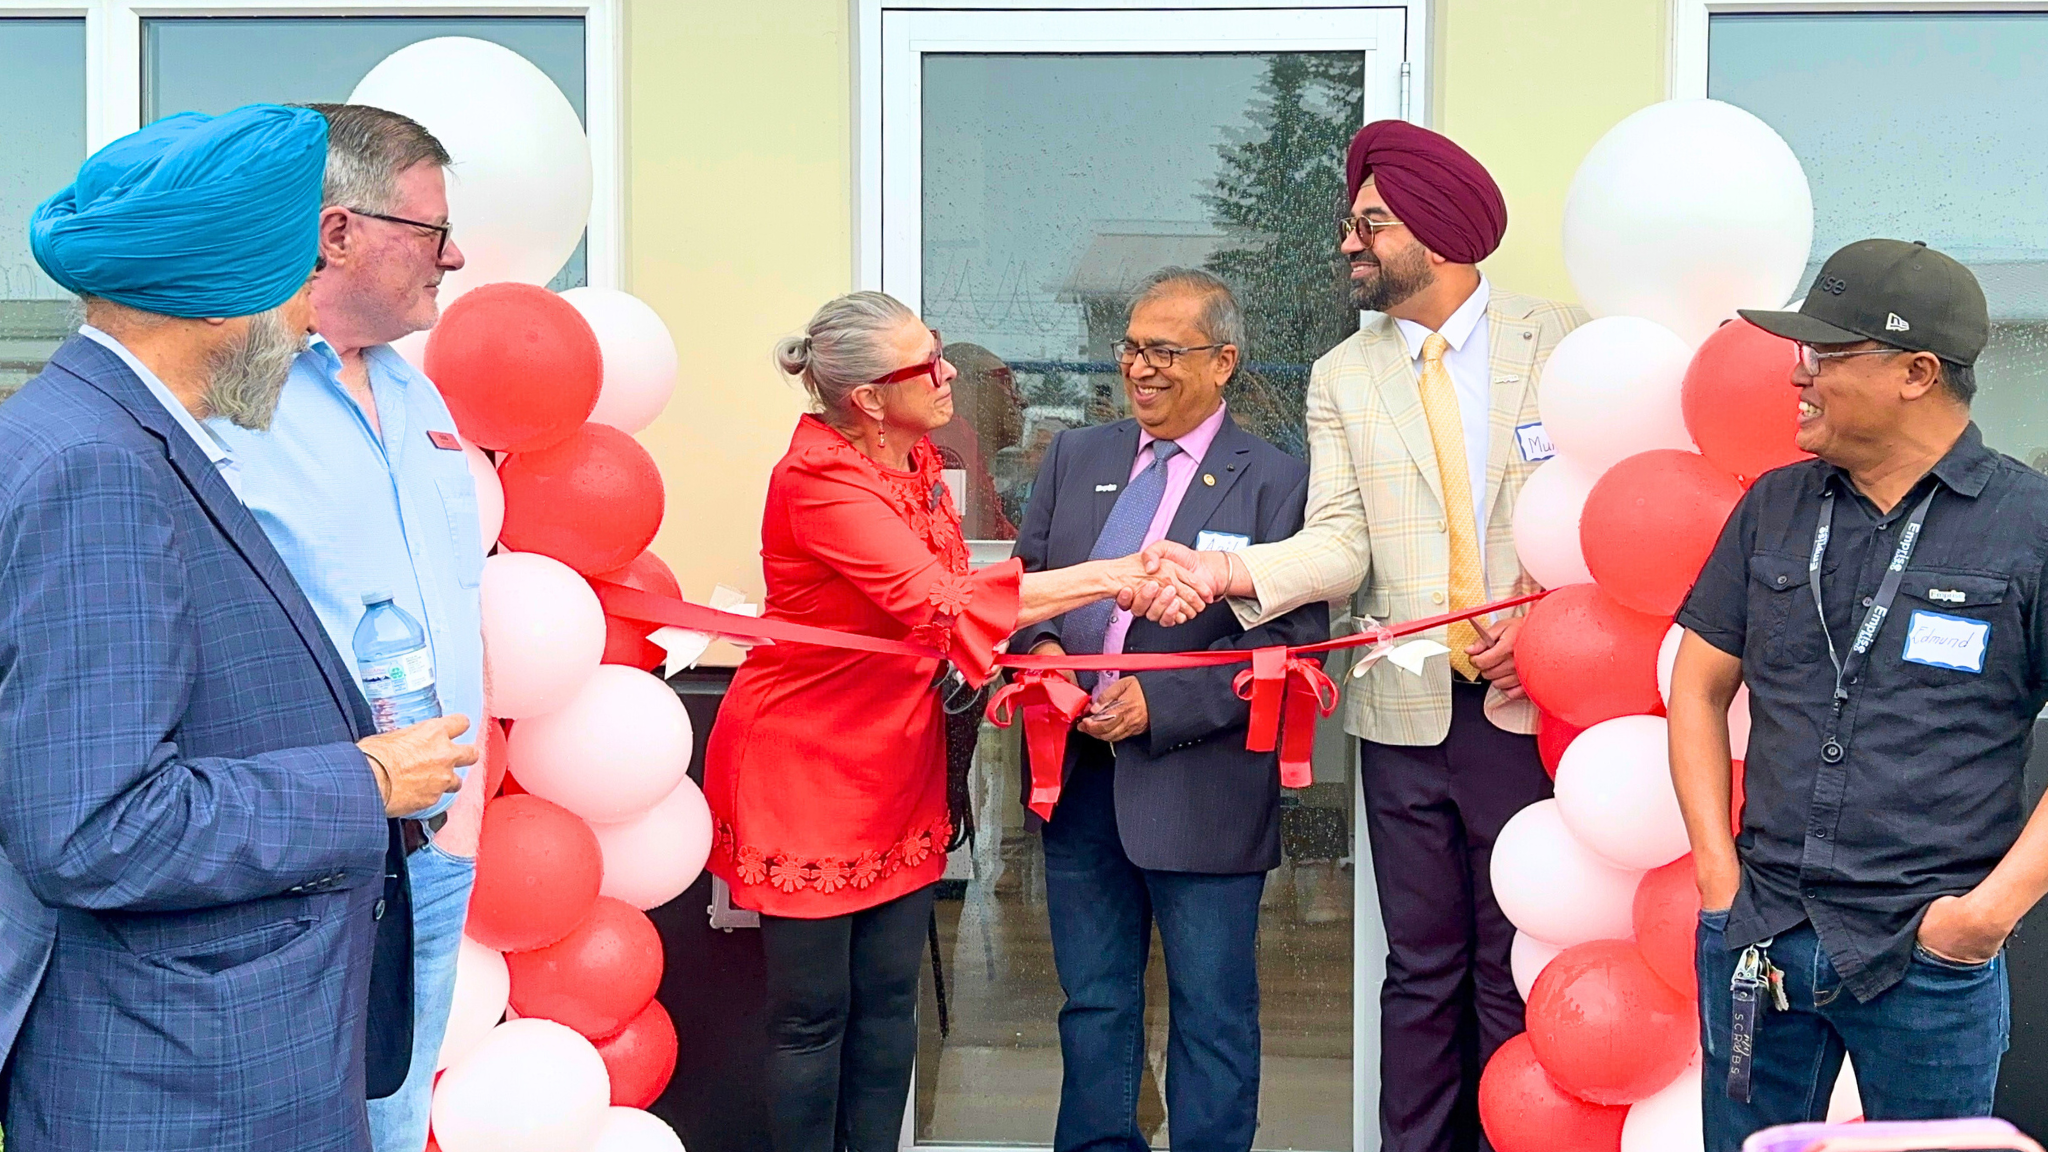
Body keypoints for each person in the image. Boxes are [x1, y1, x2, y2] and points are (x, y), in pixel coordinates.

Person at [0, 105, 473, 1151]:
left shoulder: (119, 429)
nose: (309, 314)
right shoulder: (98, 467)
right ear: (223, 295)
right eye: (294, 280)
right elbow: (93, 826)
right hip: (182, 1075)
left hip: (219, 1045)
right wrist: (366, 782)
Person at [1135, 121, 1587, 1152]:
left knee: (1515, 961)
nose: (1349, 244)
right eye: (1352, 225)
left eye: (1369, 225)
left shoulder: (1563, 340)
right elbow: (1339, 543)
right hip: (1405, 716)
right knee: (1421, 968)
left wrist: (1557, 623)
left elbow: (1605, 510)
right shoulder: (1342, 374)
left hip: (1538, 708)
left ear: (1436, 231)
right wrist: (1224, 569)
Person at [702, 290, 1211, 1152]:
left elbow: (972, 600)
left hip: (902, 759)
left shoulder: (919, 462)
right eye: (926, 366)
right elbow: (938, 603)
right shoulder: (819, 476)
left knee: (891, 1007)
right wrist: (1108, 576)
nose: (948, 375)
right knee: (811, 1017)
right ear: (867, 399)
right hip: (809, 766)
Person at [1670, 239, 2048, 1150]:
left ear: (1918, 372)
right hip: (1762, 935)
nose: (1799, 374)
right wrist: (1720, 881)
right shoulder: (1774, 506)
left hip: (1929, 955)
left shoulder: (2029, 526)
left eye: (1828, 355)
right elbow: (1698, 684)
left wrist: (1983, 918)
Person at [208, 103, 481, 1152]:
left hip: (435, 850)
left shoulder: (419, 397)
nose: (451, 257)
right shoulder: (228, 398)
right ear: (339, 232)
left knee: (394, 1116)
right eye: (429, 231)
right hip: (302, 860)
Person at [1012, 268, 1328, 1152]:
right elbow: (1024, 598)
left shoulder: (1276, 482)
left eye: (1165, 351)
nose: (1140, 370)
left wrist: (1162, 701)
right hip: (1077, 781)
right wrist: (1042, 662)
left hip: (1202, 786)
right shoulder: (1077, 456)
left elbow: (1294, 644)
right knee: (1094, 1005)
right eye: (1130, 349)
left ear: (1224, 361)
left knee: (1213, 1016)